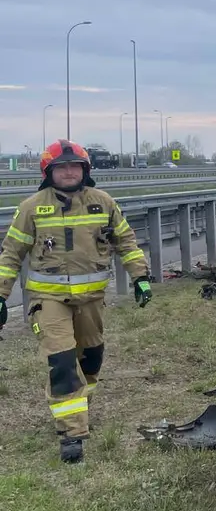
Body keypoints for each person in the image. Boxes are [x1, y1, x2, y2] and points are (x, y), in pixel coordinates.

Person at [0, 140, 153, 463]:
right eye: (62, 167)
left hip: (91, 300)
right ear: (48, 172)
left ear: (85, 170)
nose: (69, 172)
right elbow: (11, 255)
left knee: (91, 359)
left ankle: (79, 408)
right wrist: (1, 295)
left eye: (75, 166)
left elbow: (125, 241)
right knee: (63, 362)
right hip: (48, 300)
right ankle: (72, 434)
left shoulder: (103, 202)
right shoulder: (31, 208)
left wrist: (140, 276)